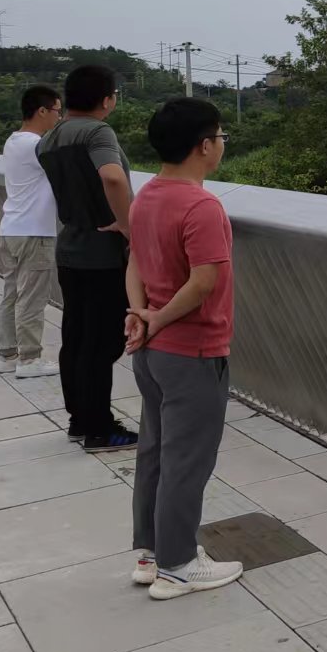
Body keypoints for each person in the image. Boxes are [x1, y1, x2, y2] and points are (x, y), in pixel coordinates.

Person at [125, 98, 242, 598]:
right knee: (187, 461)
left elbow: (134, 262)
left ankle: (152, 554)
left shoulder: (146, 195)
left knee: (154, 452)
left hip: (152, 353)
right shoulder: (202, 206)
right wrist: (156, 318)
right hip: (193, 352)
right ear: (204, 146)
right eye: (220, 136)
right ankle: (177, 566)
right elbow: (202, 283)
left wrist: (141, 314)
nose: (221, 144)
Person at [38, 65, 138, 451]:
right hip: (102, 253)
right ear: (107, 99)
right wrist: (126, 223)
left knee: (76, 338)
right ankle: (100, 428)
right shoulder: (97, 132)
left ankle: (80, 419)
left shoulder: (49, 139)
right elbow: (112, 176)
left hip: (70, 249)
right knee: (102, 343)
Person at [0, 85, 63, 378]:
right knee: (32, 297)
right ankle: (30, 360)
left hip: (10, 228)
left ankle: (8, 355)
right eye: (57, 110)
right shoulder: (36, 145)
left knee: (11, 294)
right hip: (34, 232)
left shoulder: (13, 141)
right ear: (42, 111)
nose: (59, 117)